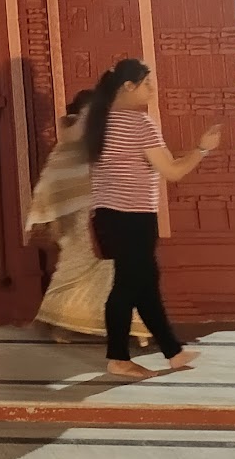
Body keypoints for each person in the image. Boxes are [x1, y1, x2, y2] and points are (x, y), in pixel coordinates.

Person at [84, 59, 221, 379]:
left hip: (109, 214)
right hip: (133, 216)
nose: (152, 90)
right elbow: (173, 171)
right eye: (147, 84)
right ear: (127, 87)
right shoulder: (138, 123)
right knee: (128, 286)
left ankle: (173, 351)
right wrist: (202, 149)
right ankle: (118, 358)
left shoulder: (99, 121)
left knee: (144, 284)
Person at [26, 89, 149, 346]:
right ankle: (61, 322)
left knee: (117, 268)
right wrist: (53, 219)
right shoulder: (70, 145)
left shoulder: (97, 141)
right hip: (76, 219)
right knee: (73, 270)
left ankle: (133, 326)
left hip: (103, 213)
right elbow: (51, 184)